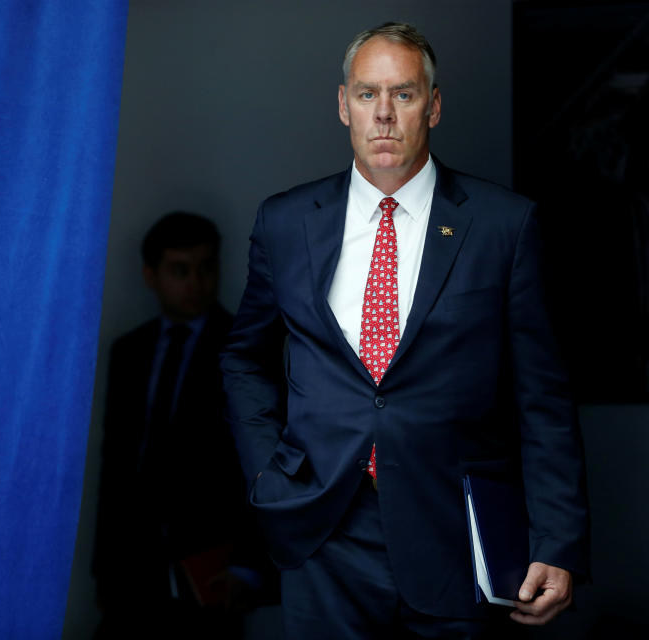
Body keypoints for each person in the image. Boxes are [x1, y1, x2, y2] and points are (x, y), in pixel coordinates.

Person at [219, 22, 589, 639]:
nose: (384, 114)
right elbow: (244, 359)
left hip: (456, 535)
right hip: (322, 532)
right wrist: (267, 473)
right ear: (343, 105)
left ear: (434, 106)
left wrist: (559, 540)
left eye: (405, 94)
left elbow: (543, 396)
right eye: (367, 95)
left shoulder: (504, 225)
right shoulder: (286, 222)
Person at [93, 212, 275, 639]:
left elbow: (265, 463)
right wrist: (103, 570)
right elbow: (115, 463)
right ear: (150, 275)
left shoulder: (246, 351)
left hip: (210, 568)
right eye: (180, 270)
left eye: (206, 267)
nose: (196, 282)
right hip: (133, 569)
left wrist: (248, 567)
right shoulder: (129, 351)